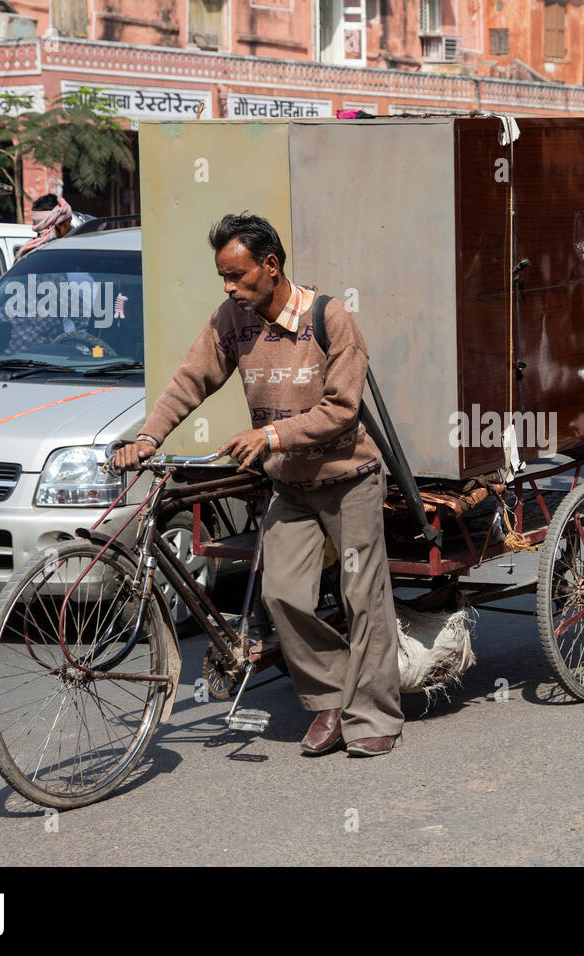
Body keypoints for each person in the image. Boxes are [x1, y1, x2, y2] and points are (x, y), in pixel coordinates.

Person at [112, 212, 404, 758]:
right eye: (222, 276)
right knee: (281, 595)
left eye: (237, 275)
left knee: (363, 597)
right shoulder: (232, 319)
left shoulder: (330, 319)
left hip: (349, 480)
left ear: (271, 267)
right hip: (290, 487)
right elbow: (190, 379)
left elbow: (342, 409)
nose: (229, 287)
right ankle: (331, 698)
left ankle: (373, 716)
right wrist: (148, 437)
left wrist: (271, 435)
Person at [16, 194, 75, 259]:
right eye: (70, 222)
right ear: (59, 226)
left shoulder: (25, 253)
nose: (73, 227)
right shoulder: (63, 256)